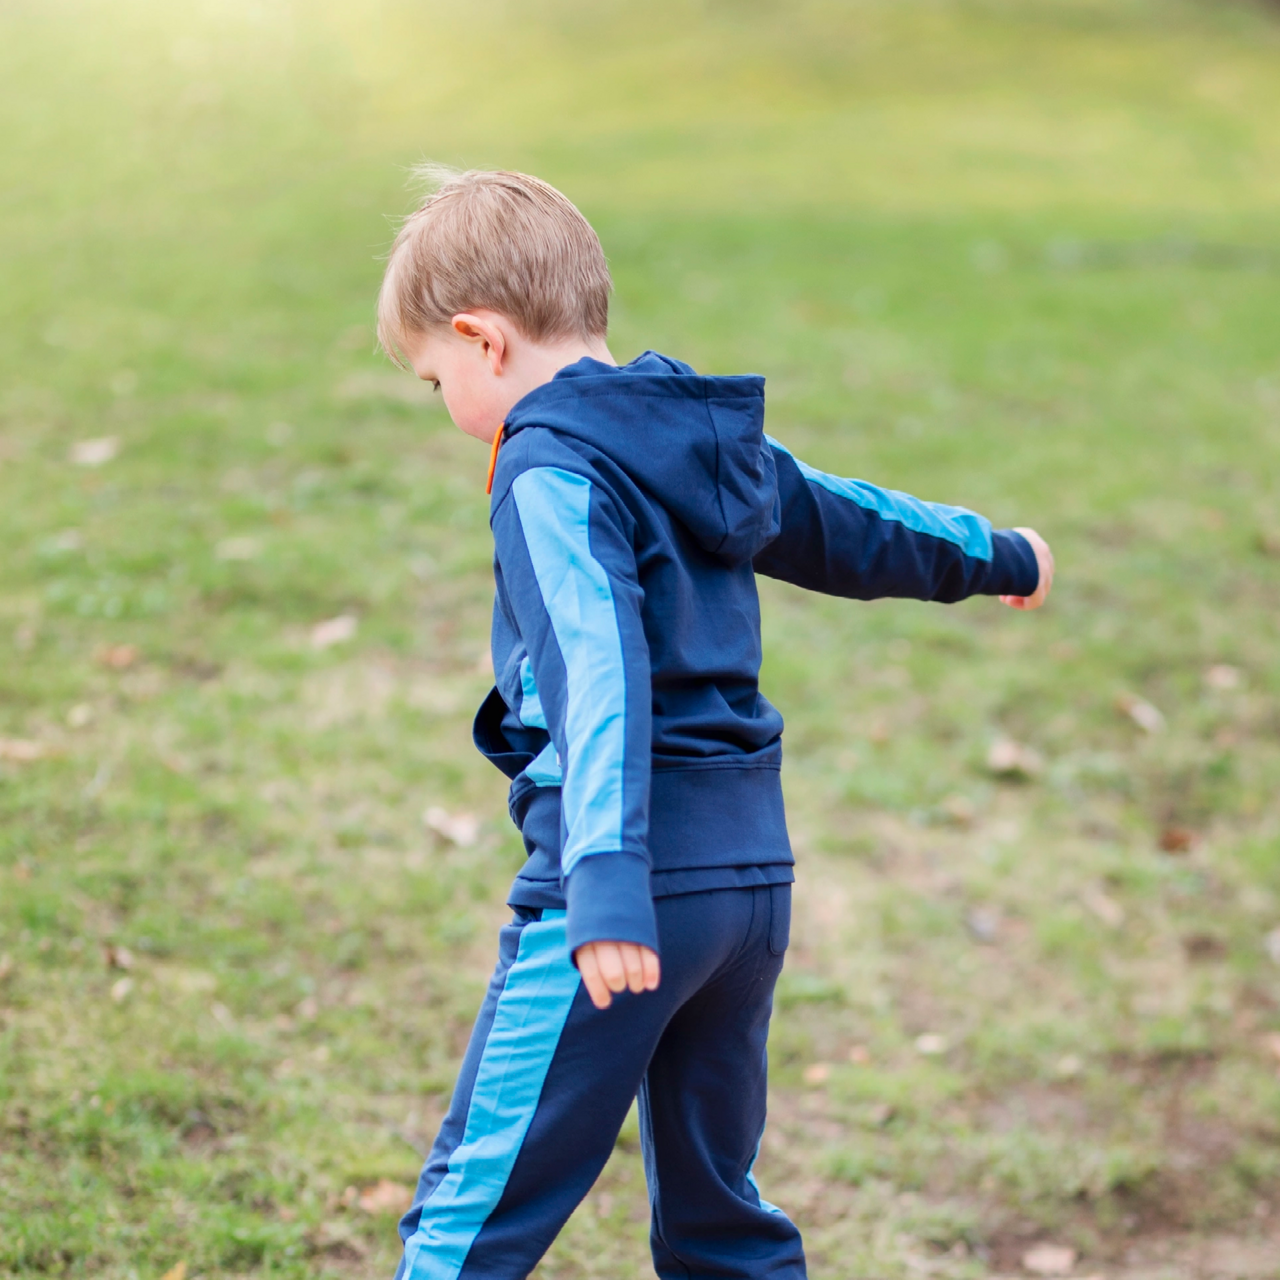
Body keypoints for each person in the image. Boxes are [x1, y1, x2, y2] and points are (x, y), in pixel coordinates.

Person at [375, 168, 1054, 1280]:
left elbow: (598, 670)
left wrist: (599, 875)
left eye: (432, 376)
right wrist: (996, 550)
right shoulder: (691, 432)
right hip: (746, 885)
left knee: (470, 1213)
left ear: (481, 340)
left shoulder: (546, 464)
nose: (442, 402)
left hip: (622, 886)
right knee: (715, 1214)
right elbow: (847, 519)